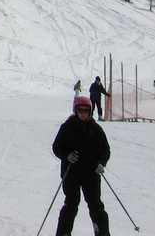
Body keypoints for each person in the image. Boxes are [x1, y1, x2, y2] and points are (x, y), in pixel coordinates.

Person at [52, 95, 111, 236]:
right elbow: (56, 147)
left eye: (86, 110)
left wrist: (102, 163)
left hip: (91, 173)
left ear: (90, 111)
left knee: (96, 205)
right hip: (71, 173)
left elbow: (105, 150)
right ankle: (63, 234)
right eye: (80, 110)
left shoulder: (96, 129)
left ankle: (102, 233)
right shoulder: (67, 127)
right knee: (71, 204)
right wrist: (67, 156)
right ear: (75, 110)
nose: (83, 113)